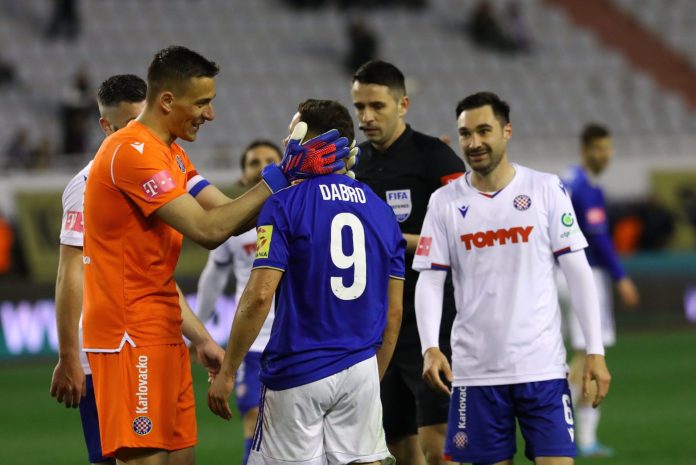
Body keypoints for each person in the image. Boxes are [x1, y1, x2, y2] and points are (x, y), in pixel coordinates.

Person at [81, 46, 353, 465]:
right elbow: (208, 231)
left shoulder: (172, 153)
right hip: (129, 333)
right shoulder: (130, 152)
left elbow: (229, 214)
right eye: (202, 103)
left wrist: (302, 182)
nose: (210, 114)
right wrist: (281, 174)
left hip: (163, 325)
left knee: (181, 458)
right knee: (145, 458)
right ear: (167, 100)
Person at [413, 91, 612, 465]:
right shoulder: (443, 202)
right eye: (465, 133)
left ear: (507, 131)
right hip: (475, 373)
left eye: (483, 131)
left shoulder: (546, 189)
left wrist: (595, 351)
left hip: (543, 369)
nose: (474, 142)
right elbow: (431, 280)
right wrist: (430, 347)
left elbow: (578, 272)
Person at [208, 99, 405, 465]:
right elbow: (394, 313)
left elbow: (259, 295)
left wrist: (229, 369)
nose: (286, 141)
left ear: (308, 141)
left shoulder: (284, 204)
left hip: (298, 367)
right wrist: (369, 376)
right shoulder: (381, 212)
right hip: (361, 366)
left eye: (292, 132)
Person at [351, 60, 465, 465]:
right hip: (378, 323)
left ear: (403, 105)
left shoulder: (435, 158)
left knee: (440, 444)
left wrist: (396, 240)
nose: (366, 117)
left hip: (432, 322)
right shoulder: (354, 165)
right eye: (359, 106)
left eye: (377, 106)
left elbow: (463, 238)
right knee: (398, 443)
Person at [195, 140, 282, 465]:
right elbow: (213, 278)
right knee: (254, 420)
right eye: (253, 162)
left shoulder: (298, 213)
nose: (262, 166)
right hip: (252, 341)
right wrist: (198, 331)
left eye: (270, 160)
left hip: (292, 338)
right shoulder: (232, 225)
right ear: (243, 174)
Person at [560, 123, 639, 458]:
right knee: (591, 354)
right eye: (600, 148)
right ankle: (581, 436)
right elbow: (600, 238)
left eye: (608, 148)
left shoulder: (567, 181)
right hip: (584, 275)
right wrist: (621, 277)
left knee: (572, 356)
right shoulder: (586, 189)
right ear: (585, 150)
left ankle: (566, 427)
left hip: (556, 274)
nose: (606, 155)